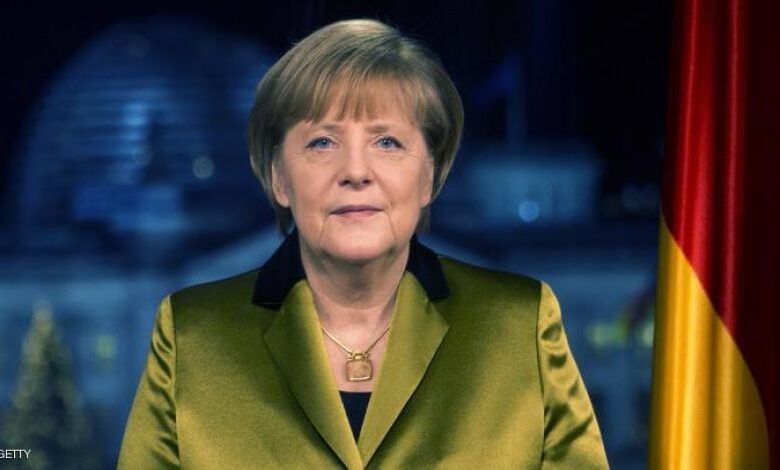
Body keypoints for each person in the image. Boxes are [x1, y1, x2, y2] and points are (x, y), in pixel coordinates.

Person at [117, 18, 608, 469]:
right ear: (279, 178)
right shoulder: (190, 338)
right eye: (322, 143)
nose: (355, 172)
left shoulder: (520, 325)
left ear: (429, 175)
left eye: (386, 142)